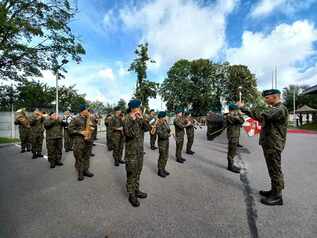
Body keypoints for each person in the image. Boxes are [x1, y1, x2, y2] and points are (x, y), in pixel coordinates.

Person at [239, 89, 288, 206]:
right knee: (272, 168)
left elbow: (261, 116)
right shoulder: (274, 108)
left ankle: (277, 197)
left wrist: (244, 108)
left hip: (274, 144)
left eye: (267, 98)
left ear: (275, 97)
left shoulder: (280, 109)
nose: (265, 100)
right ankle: (274, 190)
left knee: (275, 169)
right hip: (270, 143)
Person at [124, 99, 147, 207]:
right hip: (131, 152)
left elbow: (147, 129)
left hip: (139, 151)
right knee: (131, 173)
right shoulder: (127, 119)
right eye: (139, 107)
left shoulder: (139, 117)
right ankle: (131, 194)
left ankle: (136, 190)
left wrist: (142, 119)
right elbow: (129, 134)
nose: (140, 108)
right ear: (133, 108)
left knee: (138, 172)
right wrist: (133, 120)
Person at [69, 104, 94, 181]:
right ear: (82, 111)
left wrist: (92, 127)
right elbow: (70, 129)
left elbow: (93, 126)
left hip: (88, 140)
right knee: (79, 157)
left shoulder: (89, 118)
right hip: (79, 141)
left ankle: (86, 170)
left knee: (87, 156)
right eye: (86, 110)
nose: (88, 111)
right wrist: (80, 132)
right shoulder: (76, 119)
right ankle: (80, 172)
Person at [225, 103, 244, 173]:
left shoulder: (234, 115)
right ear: (232, 110)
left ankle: (231, 164)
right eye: (236, 110)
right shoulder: (230, 116)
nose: (237, 111)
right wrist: (239, 114)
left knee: (233, 151)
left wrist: (238, 115)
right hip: (232, 136)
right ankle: (230, 166)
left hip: (234, 135)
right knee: (231, 152)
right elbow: (241, 121)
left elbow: (240, 122)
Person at [156, 111, 171, 177]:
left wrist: (167, 123)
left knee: (166, 156)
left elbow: (168, 129)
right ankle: (160, 171)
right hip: (162, 142)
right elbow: (161, 135)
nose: (166, 117)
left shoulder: (165, 122)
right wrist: (168, 135)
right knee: (162, 156)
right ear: (162, 117)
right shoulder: (158, 124)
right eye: (165, 116)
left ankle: (163, 169)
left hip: (166, 142)